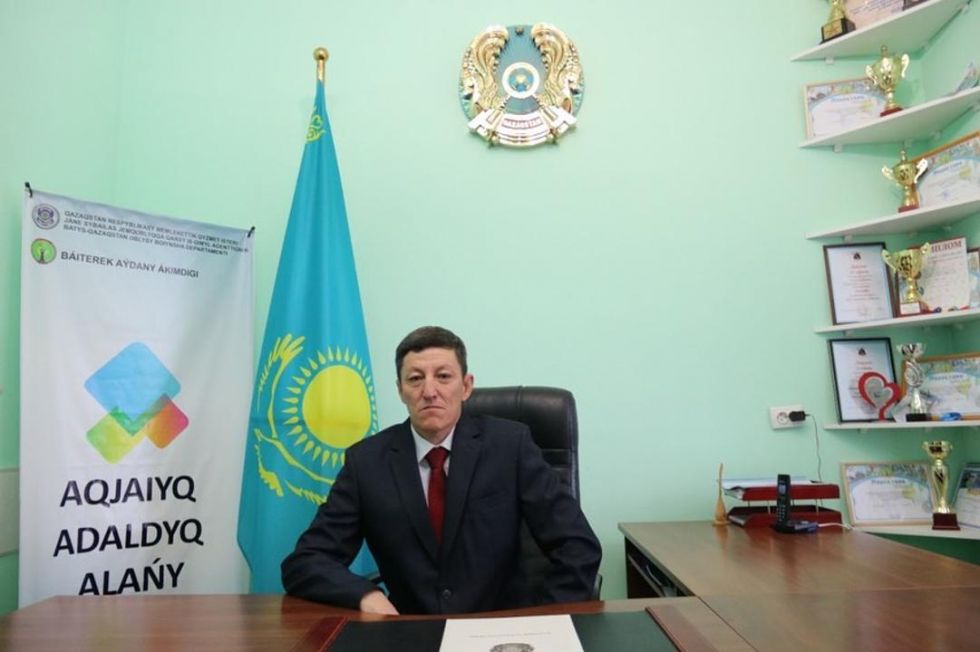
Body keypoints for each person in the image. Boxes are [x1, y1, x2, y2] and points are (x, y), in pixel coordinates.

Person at [281, 326, 601, 614]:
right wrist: (365, 595)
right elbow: (306, 562)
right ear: (400, 389)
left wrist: (541, 620)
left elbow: (578, 547)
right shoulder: (366, 462)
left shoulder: (510, 446)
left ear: (466, 386)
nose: (429, 391)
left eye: (443, 376)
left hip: (500, 633)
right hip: (410, 633)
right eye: (415, 378)